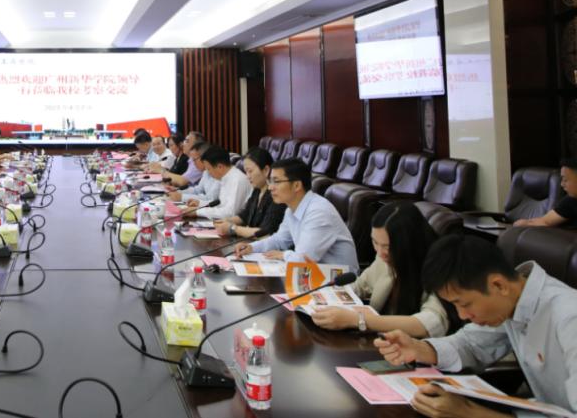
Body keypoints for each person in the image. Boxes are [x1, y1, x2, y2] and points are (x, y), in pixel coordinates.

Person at [375, 235, 577, 418]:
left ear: (498, 285)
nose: (462, 315)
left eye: (465, 304)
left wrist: (468, 412)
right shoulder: (512, 301)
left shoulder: (570, 318)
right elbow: (470, 343)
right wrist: (418, 348)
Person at [312, 202, 451, 338]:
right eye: (375, 242)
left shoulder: (439, 266)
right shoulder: (384, 258)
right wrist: (324, 299)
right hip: (381, 340)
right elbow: (360, 286)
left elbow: (432, 323)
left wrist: (358, 320)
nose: (379, 252)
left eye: (387, 246)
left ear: (409, 243)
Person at [234, 158, 359, 271]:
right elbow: (279, 240)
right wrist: (252, 247)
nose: (270, 187)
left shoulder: (318, 212)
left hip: (339, 280)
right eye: (270, 181)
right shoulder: (291, 209)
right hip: (313, 274)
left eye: (276, 181)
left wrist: (284, 255)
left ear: (297, 185)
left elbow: (303, 260)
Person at [214, 147, 285, 238]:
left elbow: (265, 232)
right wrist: (226, 221)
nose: (248, 176)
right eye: (246, 172)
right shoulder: (257, 189)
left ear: (266, 170)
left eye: (250, 171)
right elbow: (244, 216)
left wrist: (233, 228)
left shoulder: (276, 195)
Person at [185, 146, 253, 220]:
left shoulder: (237, 180)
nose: (208, 172)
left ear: (220, 167)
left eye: (209, 169)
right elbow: (222, 206)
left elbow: (230, 213)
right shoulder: (226, 177)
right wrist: (200, 204)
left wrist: (197, 212)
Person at [513, 158, 577, 227]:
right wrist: (522, 223)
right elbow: (544, 221)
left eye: (565, 180)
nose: (562, 184)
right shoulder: (570, 201)